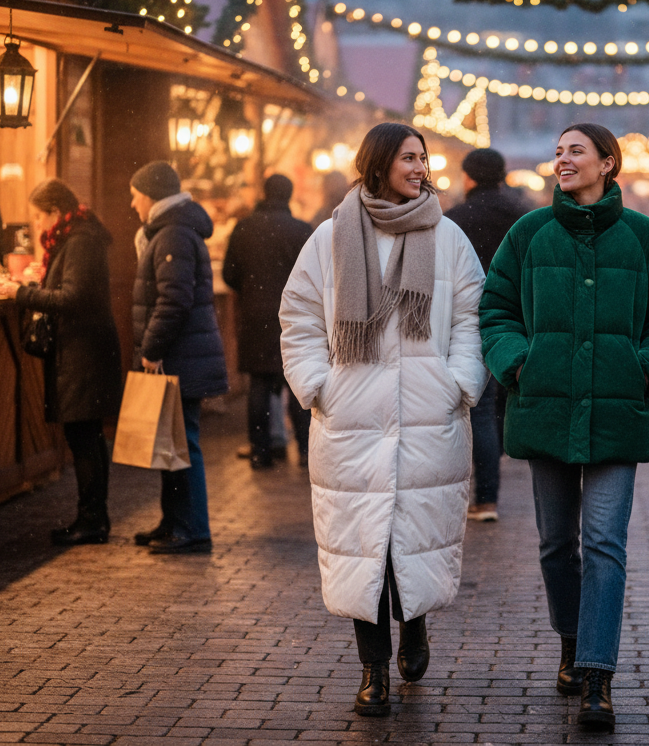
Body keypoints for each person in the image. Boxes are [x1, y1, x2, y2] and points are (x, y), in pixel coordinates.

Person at [481, 122, 649, 733]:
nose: (562, 159)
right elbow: (496, 309)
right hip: (545, 407)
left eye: (575, 151)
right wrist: (517, 362)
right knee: (554, 544)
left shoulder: (645, 238)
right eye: (558, 151)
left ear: (608, 162)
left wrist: (644, 370)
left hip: (617, 412)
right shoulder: (529, 234)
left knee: (603, 542)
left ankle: (597, 673)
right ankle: (570, 639)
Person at [280, 122, 486, 717]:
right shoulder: (329, 237)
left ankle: (414, 622)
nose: (420, 167)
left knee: (413, 535)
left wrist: (462, 381)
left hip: (429, 413)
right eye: (408, 158)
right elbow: (298, 317)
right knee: (361, 545)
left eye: (423, 157)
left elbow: (471, 315)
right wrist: (318, 384)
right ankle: (372, 669)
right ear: (377, 164)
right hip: (351, 418)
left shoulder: (448, 237)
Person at [0, 179, 122, 545]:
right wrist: (41, 280)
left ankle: (92, 520)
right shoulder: (78, 238)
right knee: (87, 436)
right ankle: (94, 517)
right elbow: (71, 288)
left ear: (56, 213)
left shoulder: (79, 241)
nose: (37, 225)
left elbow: (73, 297)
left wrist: (22, 292)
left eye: (38, 216)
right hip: (86, 350)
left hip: (83, 353)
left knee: (83, 436)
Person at [129, 161, 228, 555]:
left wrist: (152, 350)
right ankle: (173, 522)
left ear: (151, 195)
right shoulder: (171, 231)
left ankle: (193, 529)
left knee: (182, 442)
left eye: (135, 194)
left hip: (180, 357)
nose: (132, 202)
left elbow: (174, 301)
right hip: (183, 355)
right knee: (170, 441)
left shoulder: (172, 235)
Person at [444, 147, 530, 521]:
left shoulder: (453, 219)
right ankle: (490, 495)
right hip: (516, 317)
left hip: (469, 318)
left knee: (476, 406)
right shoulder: (523, 216)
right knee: (505, 397)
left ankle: (481, 496)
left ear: (469, 177)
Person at [222, 173, 313, 469]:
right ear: (288, 196)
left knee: (258, 384)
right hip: (294, 316)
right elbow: (316, 275)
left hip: (255, 316)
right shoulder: (301, 230)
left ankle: (261, 452)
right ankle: (305, 451)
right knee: (296, 382)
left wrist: (251, 291)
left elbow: (229, 275)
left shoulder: (244, 228)